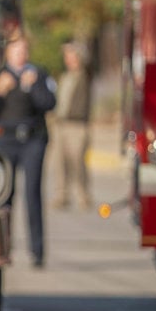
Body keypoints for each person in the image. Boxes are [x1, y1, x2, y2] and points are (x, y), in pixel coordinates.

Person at [0, 35, 57, 268]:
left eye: (24, 49)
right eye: (16, 50)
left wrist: (31, 88)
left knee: (32, 194)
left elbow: (50, 103)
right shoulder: (0, 74)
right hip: (7, 140)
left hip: (33, 140)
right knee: (3, 197)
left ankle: (37, 252)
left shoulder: (38, 74)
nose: (20, 54)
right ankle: (0, 249)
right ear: (8, 53)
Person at [49, 41, 93, 211]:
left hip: (77, 124)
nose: (70, 60)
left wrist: (76, 47)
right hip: (61, 123)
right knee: (60, 163)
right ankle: (62, 195)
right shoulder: (64, 77)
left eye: (73, 57)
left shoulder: (84, 75)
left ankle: (83, 194)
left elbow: (89, 63)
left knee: (78, 162)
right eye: (67, 57)